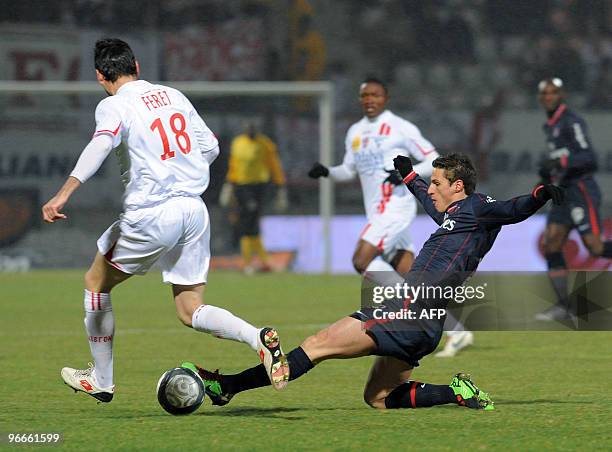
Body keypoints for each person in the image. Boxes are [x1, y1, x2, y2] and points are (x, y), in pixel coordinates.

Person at [187, 153, 564, 410]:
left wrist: (540, 194)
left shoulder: (479, 208)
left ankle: (228, 387)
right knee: (380, 397)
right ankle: (456, 392)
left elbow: (513, 209)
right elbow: (425, 198)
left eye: (437, 183)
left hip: (407, 312)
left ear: (459, 185)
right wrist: (410, 177)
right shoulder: (457, 217)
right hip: (426, 327)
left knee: (316, 346)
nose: (431, 190)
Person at [41, 38, 289, 403]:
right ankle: (257, 337)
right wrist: (180, 174)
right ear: (137, 66)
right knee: (190, 309)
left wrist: (64, 192)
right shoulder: (172, 95)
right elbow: (211, 146)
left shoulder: (114, 105)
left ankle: (102, 379)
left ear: (99, 76)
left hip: (152, 213)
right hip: (193, 210)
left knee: (95, 283)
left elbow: (100, 144)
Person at [308, 77, 472, 358]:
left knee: (360, 259)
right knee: (412, 275)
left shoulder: (401, 128)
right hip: (377, 210)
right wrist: (327, 172)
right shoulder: (355, 132)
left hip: (395, 207)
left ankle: (405, 308)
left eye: (375, 95)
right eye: (365, 95)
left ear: (386, 98)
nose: (369, 99)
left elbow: (434, 158)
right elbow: (349, 170)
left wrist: (404, 173)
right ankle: (457, 330)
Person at [535, 77, 612, 321]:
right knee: (552, 244)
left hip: (581, 190)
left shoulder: (571, 121)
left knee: (595, 247)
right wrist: (547, 175)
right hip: (563, 191)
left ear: (562, 95)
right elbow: (558, 161)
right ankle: (564, 307)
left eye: (553, 92)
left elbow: (589, 157)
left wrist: (560, 162)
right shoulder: (550, 125)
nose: (549, 96)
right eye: (545, 93)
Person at [219, 122, 288, 274]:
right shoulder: (238, 143)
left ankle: (252, 262)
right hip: (242, 186)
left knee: (250, 222)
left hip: (259, 186)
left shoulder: (265, 144)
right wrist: (229, 184)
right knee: (248, 221)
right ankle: (258, 261)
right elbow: (234, 165)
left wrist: (280, 185)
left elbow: (274, 165)